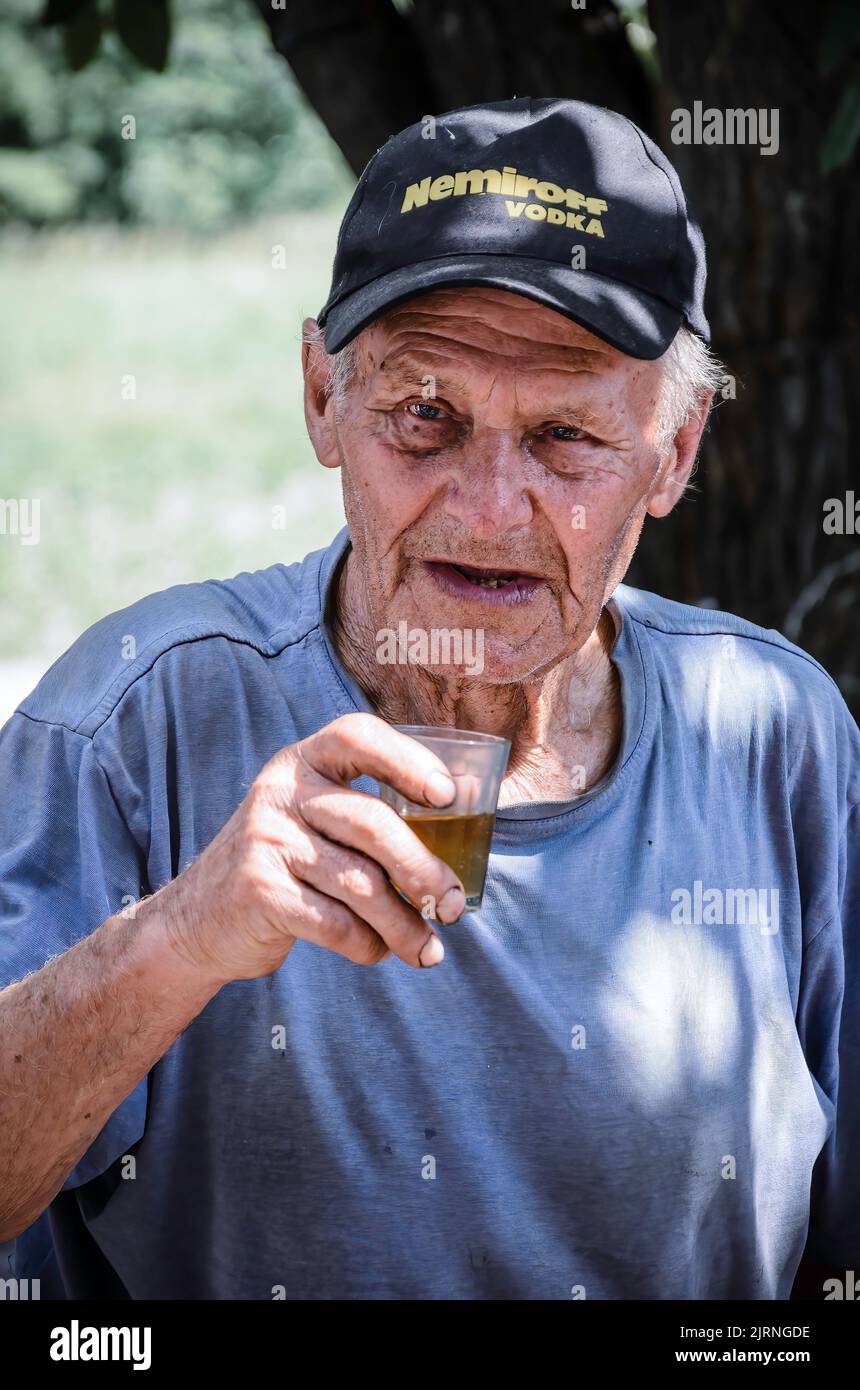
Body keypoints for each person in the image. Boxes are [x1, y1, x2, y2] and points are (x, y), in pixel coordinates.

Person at [1, 97, 857, 1300]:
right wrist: (182, 934)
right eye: (423, 416)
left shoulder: (777, 733)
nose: (487, 506)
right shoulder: (129, 722)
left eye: (563, 435)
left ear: (674, 452)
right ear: (319, 398)